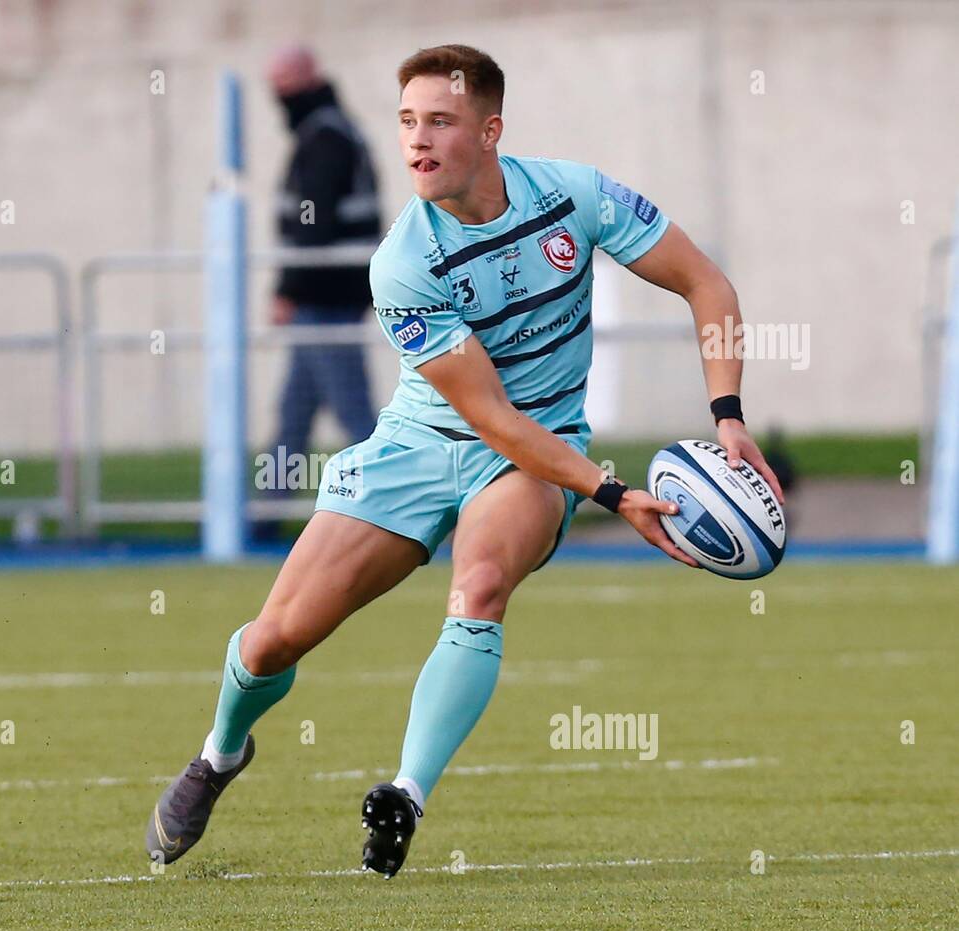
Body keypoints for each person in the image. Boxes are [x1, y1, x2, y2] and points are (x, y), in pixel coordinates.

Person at [147, 44, 785, 878]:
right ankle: (220, 753)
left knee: (480, 583)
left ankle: (406, 794)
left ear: (490, 132)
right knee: (272, 642)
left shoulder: (574, 196)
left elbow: (708, 284)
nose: (416, 140)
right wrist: (612, 491)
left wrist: (728, 414)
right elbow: (485, 413)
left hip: (531, 459)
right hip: (421, 446)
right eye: (407, 121)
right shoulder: (404, 261)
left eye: (439, 122)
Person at [253, 46, 380, 539]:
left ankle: (400, 510)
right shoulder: (329, 131)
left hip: (325, 299)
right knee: (294, 415)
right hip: (326, 298)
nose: (279, 98)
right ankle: (262, 521)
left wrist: (287, 288)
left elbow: (313, 221)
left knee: (356, 417)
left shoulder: (325, 139)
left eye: (284, 86)